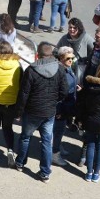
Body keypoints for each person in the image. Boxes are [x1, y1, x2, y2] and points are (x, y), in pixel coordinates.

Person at [14, 42, 70, 182]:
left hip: (32, 111)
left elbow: (24, 94)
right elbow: (64, 91)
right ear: (51, 55)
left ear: (37, 55)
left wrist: (19, 112)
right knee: (46, 141)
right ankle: (45, 172)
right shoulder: (59, 69)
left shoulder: (31, 70)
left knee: (26, 137)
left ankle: (20, 162)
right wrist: (54, 102)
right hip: (49, 112)